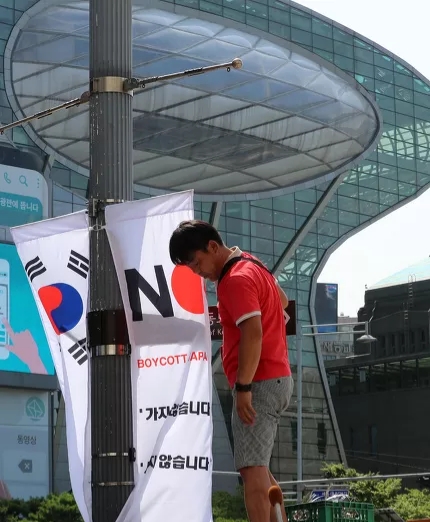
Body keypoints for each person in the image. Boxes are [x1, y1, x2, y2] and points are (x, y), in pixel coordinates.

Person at [169, 220, 294, 522]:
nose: (197, 272)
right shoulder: (252, 264)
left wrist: (244, 387)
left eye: (196, 263)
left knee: (251, 471)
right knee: (259, 468)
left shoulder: (234, 280)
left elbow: (252, 332)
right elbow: (282, 300)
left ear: (212, 247)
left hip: (259, 382)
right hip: (277, 377)